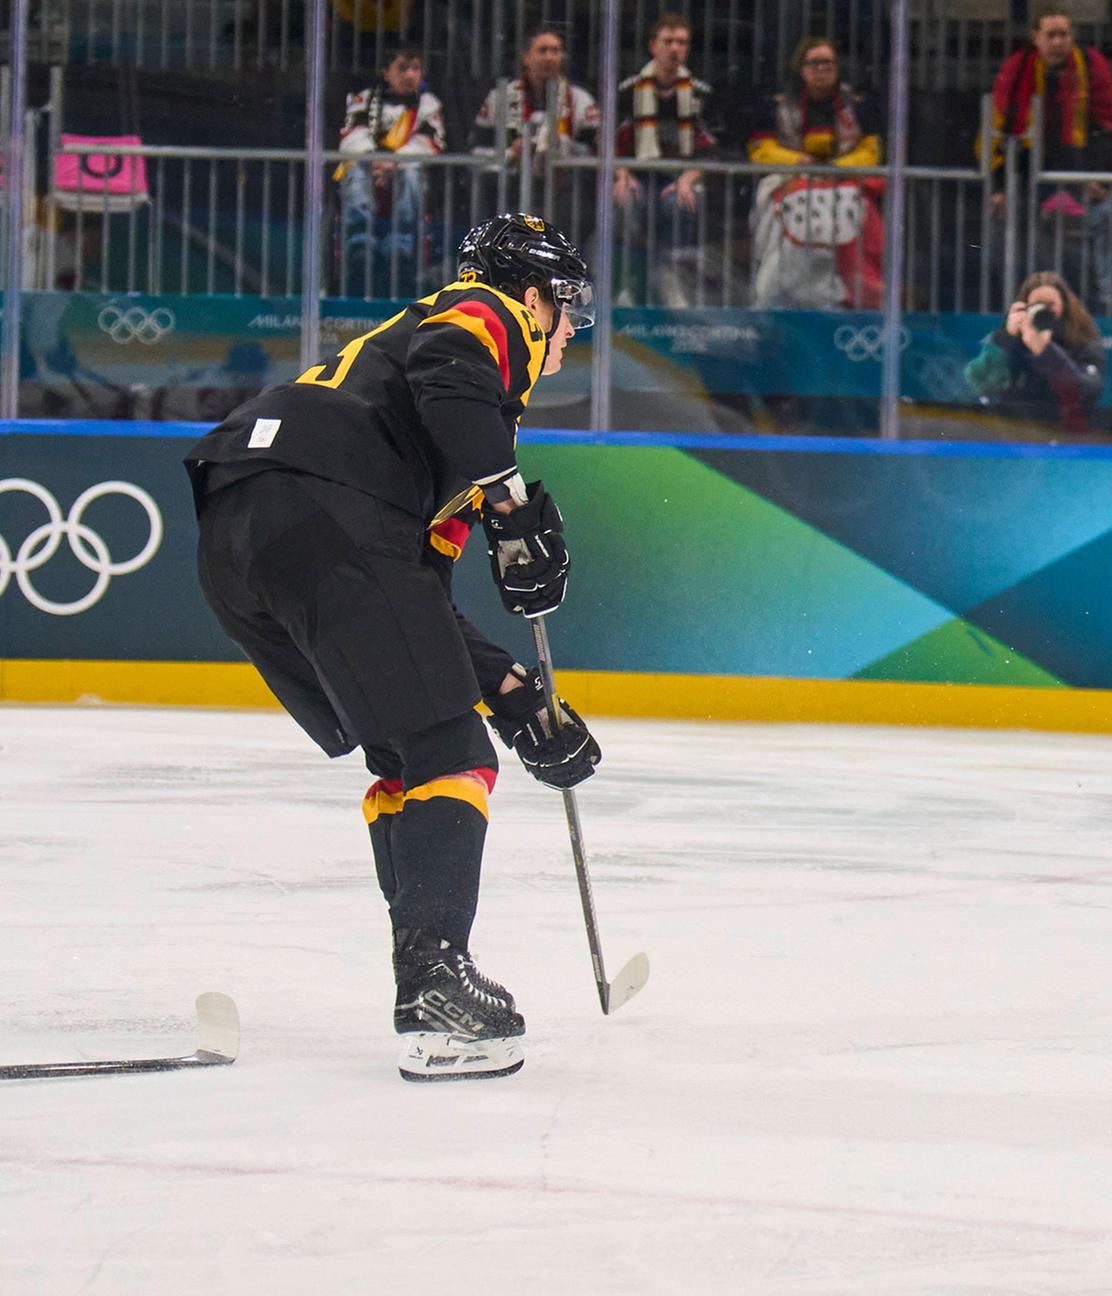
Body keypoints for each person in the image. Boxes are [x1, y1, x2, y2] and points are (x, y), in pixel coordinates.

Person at [183, 213, 601, 1082]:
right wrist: (512, 507)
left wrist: (519, 693)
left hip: (242, 531)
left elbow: (418, 602)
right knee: (450, 750)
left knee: (414, 746)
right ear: (532, 296)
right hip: (326, 504)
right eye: (564, 306)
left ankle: (428, 968)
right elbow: (449, 368)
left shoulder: (441, 432)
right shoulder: (485, 318)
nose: (569, 328)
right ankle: (434, 981)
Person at [982, 7, 1112, 316]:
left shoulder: (1091, 66)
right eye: (1050, 35)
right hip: (1027, 171)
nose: (1058, 42)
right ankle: (1014, 303)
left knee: (1109, 218)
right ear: (1035, 38)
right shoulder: (1018, 68)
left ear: (1072, 37)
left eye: (1064, 34)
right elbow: (998, 132)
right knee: (1000, 220)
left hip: (1083, 169)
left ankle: (1110, 309)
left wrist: (1101, 180)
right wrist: (1001, 186)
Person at [746, 36, 884, 309]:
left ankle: (852, 292)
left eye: (828, 63)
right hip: (791, 178)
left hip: (843, 181)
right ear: (801, 69)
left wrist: (837, 169)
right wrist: (799, 162)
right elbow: (760, 148)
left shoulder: (856, 104)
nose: (822, 69)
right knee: (784, 209)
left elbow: (872, 150)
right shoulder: (779, 104)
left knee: (858, 211)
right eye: (815, 63)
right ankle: (777, 290)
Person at [613, 12, 717, 306]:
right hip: (637, 174)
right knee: (628, 201)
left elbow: (709, 149)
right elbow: (611, 143)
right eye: (668, 41)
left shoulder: (701, 93)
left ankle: (675, 288)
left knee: (678, 204)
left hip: (680, 178)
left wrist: (687, 179)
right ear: (652, 46)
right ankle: (627, 287)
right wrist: (622, 175)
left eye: (682, 42)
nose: (675, 49)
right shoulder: (628, 90)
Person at [335, 46, 446, 294]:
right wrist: (375, 160)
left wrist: (393, 162)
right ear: (386, 73)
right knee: (354, 170)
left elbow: (430, 143)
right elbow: (352, 136)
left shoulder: (429, 105)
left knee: (411, 173)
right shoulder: (365, 99)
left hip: (405, 172)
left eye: (415, 69)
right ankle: (359, 244)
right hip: (369, 171)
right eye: (402, 69)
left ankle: (402, 245)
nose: (409, 75)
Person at [964, 269, 1105, 434]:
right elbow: (980, 384)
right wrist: (1005, 339)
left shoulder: (1082, 338)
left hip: (1065, 434)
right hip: (1014, 431)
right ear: (1024, 307)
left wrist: (1046, 352)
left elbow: (1086, 392)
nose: (1043, 311)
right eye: (1037, 305)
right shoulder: (1012, 336)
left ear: (1065, 306)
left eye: (1050, 305)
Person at [470, 27, 599, 179]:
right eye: (542, 51)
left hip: (567, 189)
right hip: (510, 188)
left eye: (555, 51)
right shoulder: (499, 98)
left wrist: (563, 147)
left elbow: (597, 154)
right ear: (526, 58)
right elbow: (476, 153)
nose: (549, 57)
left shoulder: (581, 100)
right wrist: (511, 153)